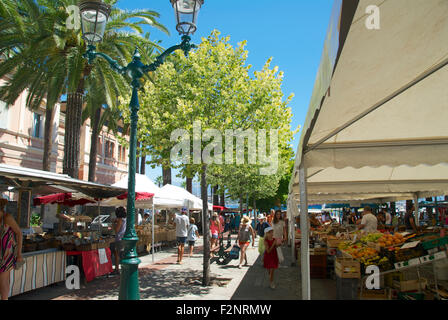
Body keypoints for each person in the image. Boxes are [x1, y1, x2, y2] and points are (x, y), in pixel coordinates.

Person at [0, 198, 23, 300]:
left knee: (3, 280)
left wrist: (19, 254)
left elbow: (19, 233)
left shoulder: (7, 217)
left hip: (6, 253)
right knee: (4, 280)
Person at [111, 206, 126, 275]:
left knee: (117, 254)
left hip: (119, 238)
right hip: (124, 238)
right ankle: (122, 268)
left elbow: (117, 230)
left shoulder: (120, 220)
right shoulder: (125, 219)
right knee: (121, 254)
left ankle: (117, 269)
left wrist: (113, 224)